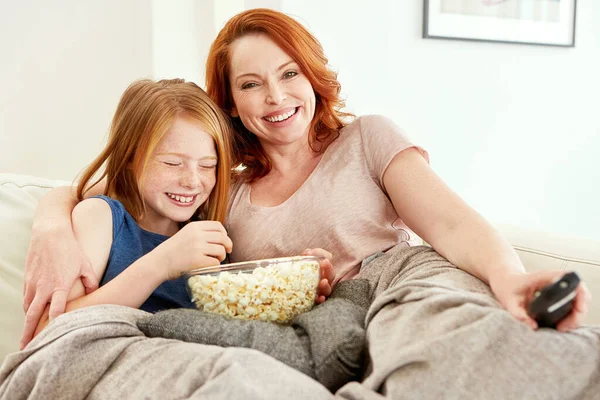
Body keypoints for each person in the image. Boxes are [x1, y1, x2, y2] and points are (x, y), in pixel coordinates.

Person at [20, 8, 599, 398]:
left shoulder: (367, 137)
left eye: (288, 73)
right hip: (320, 329)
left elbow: (451, 222)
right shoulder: (224, 192)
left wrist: (506, 277)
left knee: (449, 356)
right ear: (231, 104)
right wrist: (51, 222)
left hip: (402, 283)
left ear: (312, 76)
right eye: (250, 84)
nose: (274, 96)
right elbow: (118, 188)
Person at [29, 78, 235, 338]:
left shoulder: (208, 235)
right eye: (172, 163)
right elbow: (49, 330)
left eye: (207, 165)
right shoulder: (101, 217)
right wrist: (162, 263)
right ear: (129, 158)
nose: (192, 181)